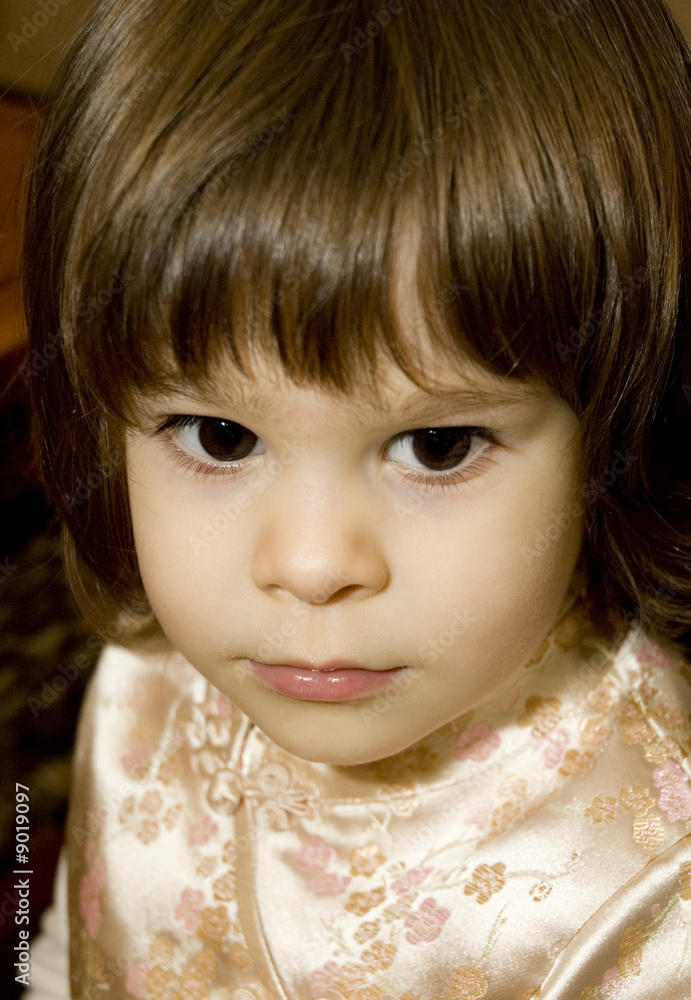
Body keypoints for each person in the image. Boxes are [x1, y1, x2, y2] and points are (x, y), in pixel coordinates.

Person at [22, 0, 691, 996]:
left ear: (618, 420)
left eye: (436, 445)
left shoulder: (655, 896)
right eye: (219, 436)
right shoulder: (148, 674)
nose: (308, 565)